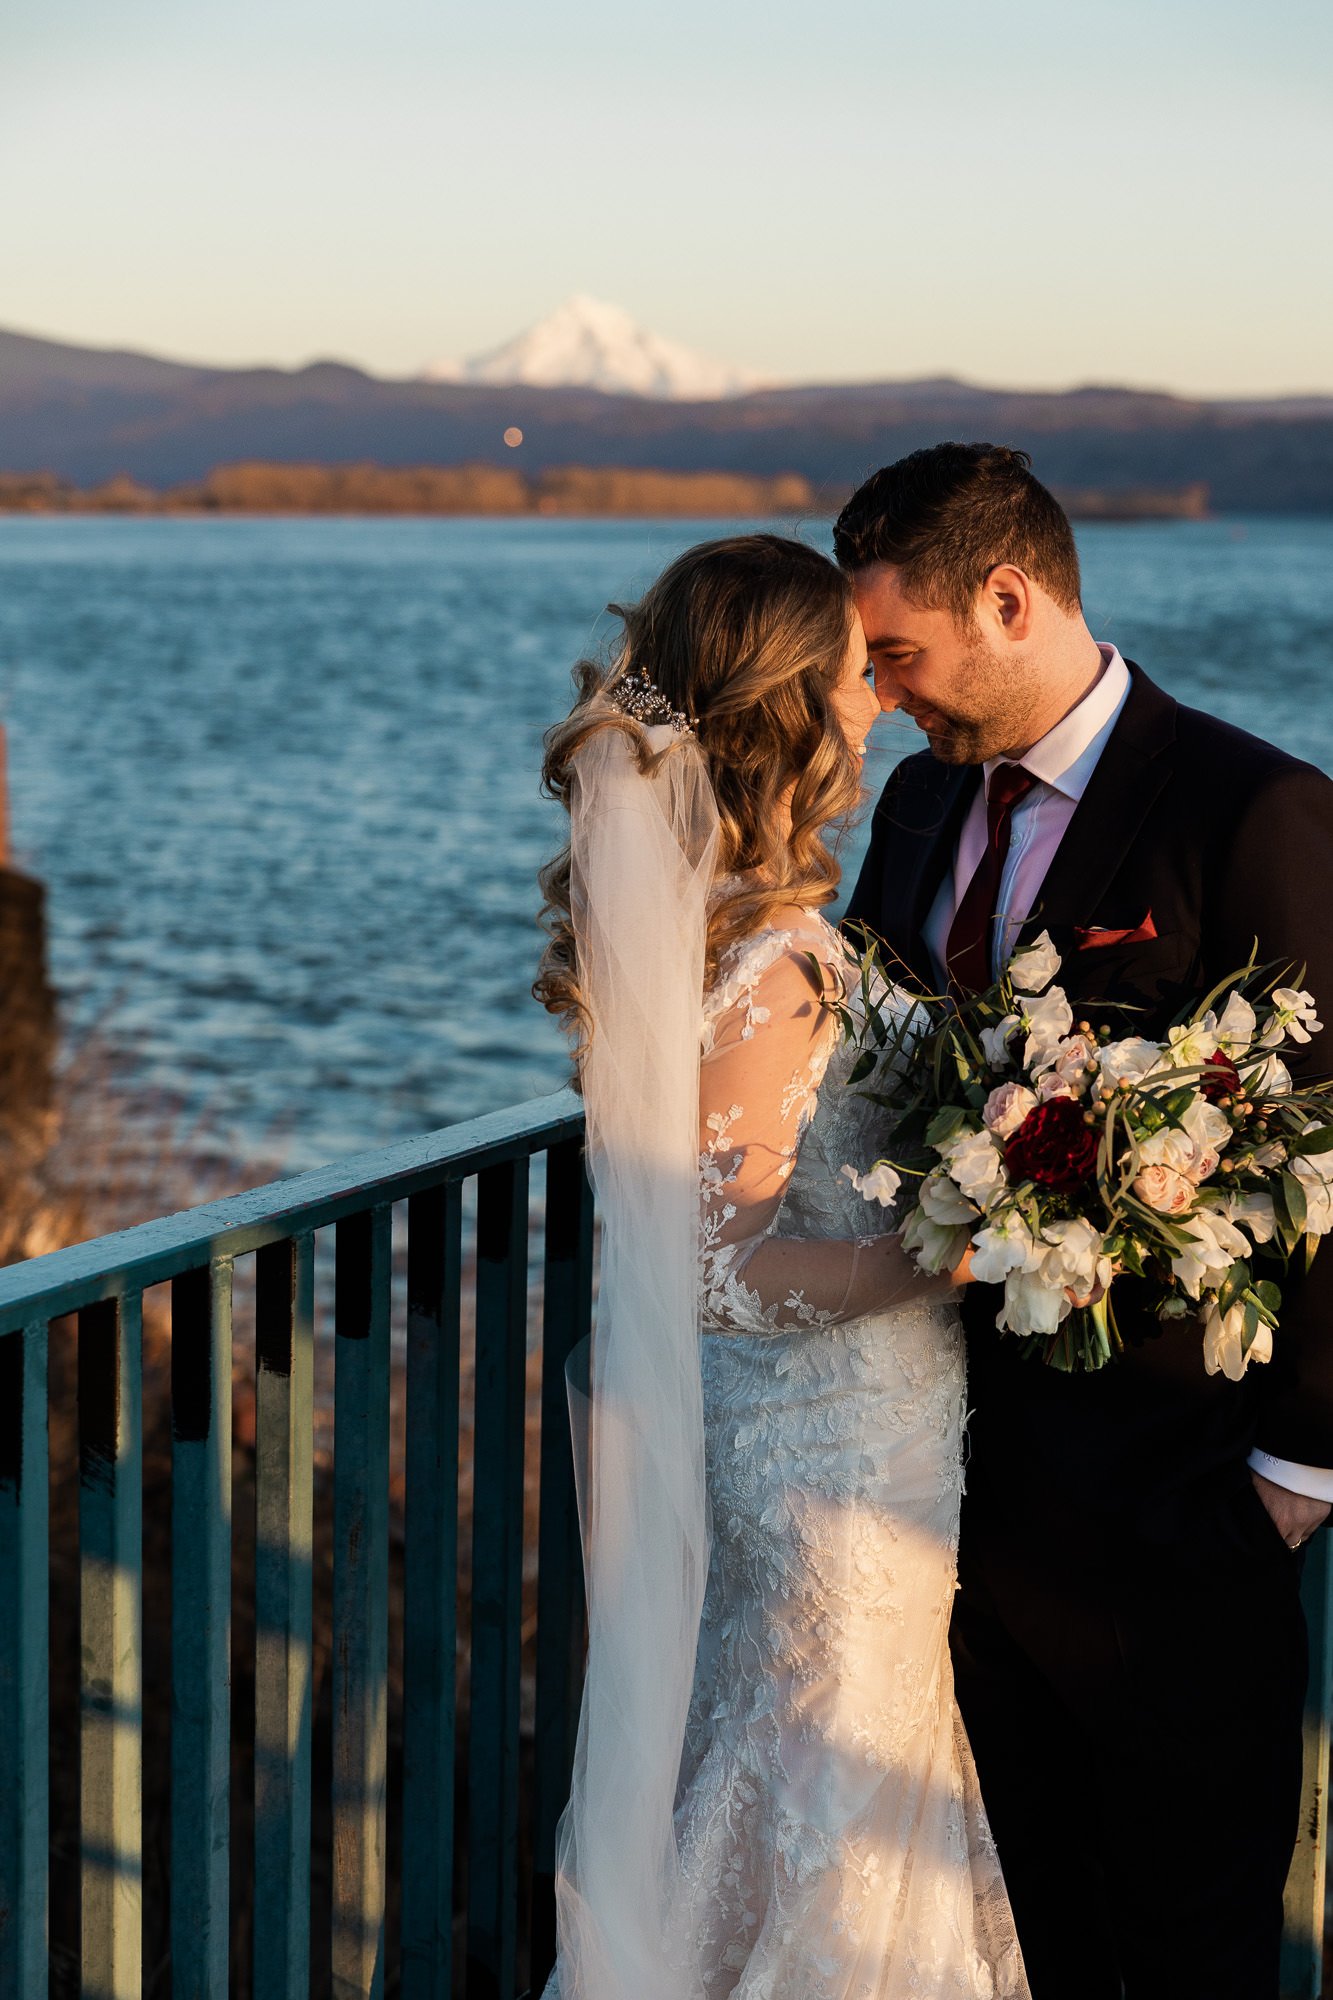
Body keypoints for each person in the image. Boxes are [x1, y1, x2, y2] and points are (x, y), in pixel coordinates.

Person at [838, 442, 1333, 2000]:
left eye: (895, 655)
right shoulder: (917, 809)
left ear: (1007, 598)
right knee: (1013, 1944)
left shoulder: (1252, 808)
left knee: (1187, 1952)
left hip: (1174, 1510)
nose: (882, 696)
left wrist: (1293, 1473)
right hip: (944, 1501)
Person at [535, 534, 1029, 1999]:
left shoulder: (723, 926)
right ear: (785, 705)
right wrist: (946, 1254)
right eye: (848, 676)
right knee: (831, 1800)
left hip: (822, 1440)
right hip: (829, 1464)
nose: (873, 702)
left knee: (807, 1779)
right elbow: (716, 1271)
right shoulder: (782, 961)